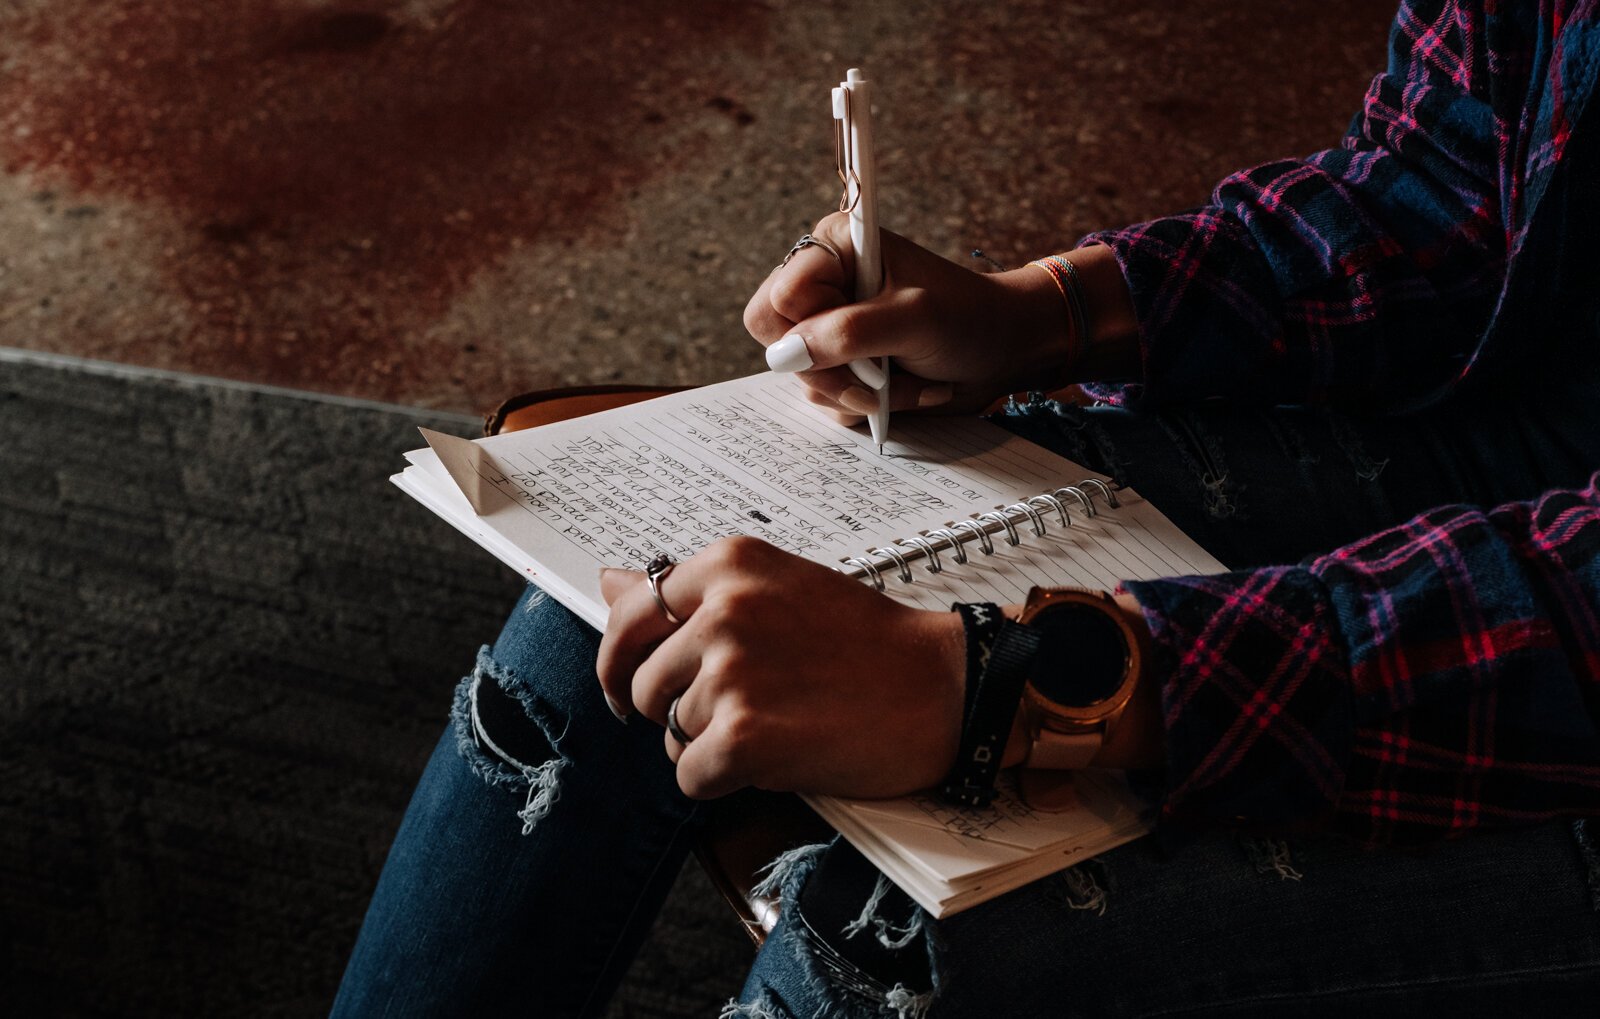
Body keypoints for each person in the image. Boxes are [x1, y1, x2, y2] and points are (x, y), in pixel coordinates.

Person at [334, 1, 1600, 1015]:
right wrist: (1047, 313)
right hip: (1529, 444)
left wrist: (1011, 687)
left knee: (897, 938)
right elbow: (1445, 182)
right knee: (629, 595)